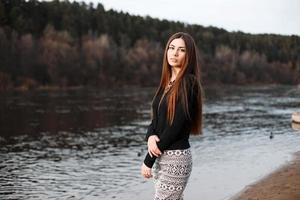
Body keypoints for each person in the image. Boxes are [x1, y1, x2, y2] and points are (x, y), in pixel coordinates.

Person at [141, 32, 203, 200]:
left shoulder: (188, 83)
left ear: (188, 56)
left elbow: (175, 126)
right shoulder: (167, 83)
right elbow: (156, 118)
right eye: (171, 48)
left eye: (181, 50)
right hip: (162, 156)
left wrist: (149, 159)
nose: (174, 53)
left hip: (176, 158)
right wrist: (150, 136)